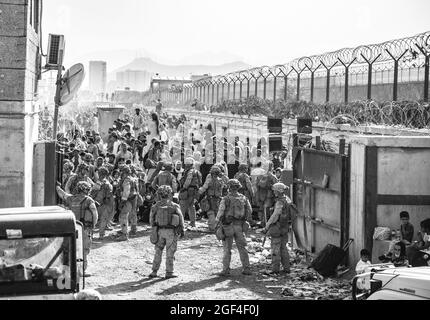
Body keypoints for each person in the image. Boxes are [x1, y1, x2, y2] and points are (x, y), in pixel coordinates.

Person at [215, 179, 254, 277]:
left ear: (229, 187)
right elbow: (249, 211)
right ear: (238, 187)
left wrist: (217, 223)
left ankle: (225, 270)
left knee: (227, 248)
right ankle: (246, 268)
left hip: (228, 226)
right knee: (242, 247)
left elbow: (220, 212)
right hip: (239, 226)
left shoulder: (225, 199)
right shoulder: (244, 198)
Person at [56, 181, 98, 272]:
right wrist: (94, 225)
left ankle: (71, 269)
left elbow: (62, 194)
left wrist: (57, 187)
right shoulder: (89, 200)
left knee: (72, 249)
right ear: (87, 190)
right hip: (85, 228)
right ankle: (82, 271)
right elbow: (94, 213)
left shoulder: (71, 198)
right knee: (84, 251)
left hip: (73, 228)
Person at [149, 186, 185, 279]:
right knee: (170, 252)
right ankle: (169, 272)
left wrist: (154, 229)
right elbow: (181, 219)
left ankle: (154, 271)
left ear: (159, 195)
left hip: (159, 231)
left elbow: (151, 220)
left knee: (158, 251)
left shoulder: (156, 206)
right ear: (170, 194)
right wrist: (182, 230)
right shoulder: (174, 205)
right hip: (171, 232)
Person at [262, 183, 297, 275]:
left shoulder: (279, 202)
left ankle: (275, 269)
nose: (273, 192)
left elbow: (275, 215)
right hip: (285, 227)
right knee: (283, 248)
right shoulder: (287, 199)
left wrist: (267, 226)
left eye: (274, 190)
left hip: (277, 228)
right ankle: (286, 268)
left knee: (275, 249)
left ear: (278, 191)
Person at [199, 165, 226, 231]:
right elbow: (223, 188)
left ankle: (212, 227)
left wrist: (198, 192)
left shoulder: (209, 180)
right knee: (217, 212)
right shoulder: (221, 181)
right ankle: (218, 226)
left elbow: (204, 188)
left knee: (210, 212)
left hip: (210, 199)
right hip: (218, 199)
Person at [117, 165, 139, 241]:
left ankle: (124, 234)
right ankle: (133, 229)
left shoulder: (126, 180)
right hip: (134, 198)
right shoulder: (132, 178)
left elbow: (126, 192)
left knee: (123, 216)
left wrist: (122, 202)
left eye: (121, 171)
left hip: (128, 199)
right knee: (133, 214)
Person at [179, 158, 202, 228]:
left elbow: (188, 180)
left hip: (188, 190)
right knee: (191, 206)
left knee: (182, 205)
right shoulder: (197, 172)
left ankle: (181, 222)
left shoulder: (190, 172)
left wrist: (184, 187)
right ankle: (193, 222)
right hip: (194, 190)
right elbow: (200, 182)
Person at [93, 167, 114, 240]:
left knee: (97, 219)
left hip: (99, 203)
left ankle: (99, 234)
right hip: (103, 203)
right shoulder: (107, 183)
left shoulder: (100, 183)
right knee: (102, 219)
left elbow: (93, 192)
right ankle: (101, 234)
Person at [255, 161, 278, 227]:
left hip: (261, 194)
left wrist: (257, 195)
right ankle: (266, 223)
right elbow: (276, 185)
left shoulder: (259, 176)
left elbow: (257, 185)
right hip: (269, 195)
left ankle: (263, 222)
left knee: (262, 209)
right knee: (267, 209)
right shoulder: (272, 176)